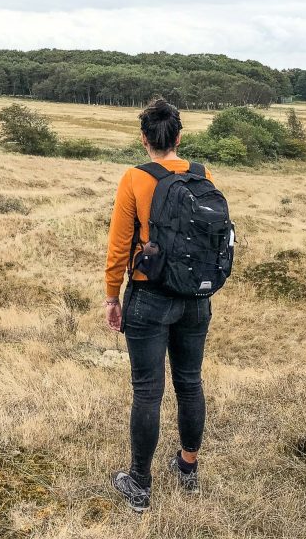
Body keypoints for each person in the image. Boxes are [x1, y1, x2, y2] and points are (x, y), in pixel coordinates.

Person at [104, 98, 214, 513]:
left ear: (143, 139)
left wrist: (112, 296)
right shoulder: (202, 174)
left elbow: (119, 247)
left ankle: (140, 483)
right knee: (190, 383)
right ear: (179, 137)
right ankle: (188, 467)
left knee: (148, 392)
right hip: (196, 298)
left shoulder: (135, 178)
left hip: (148, 295)